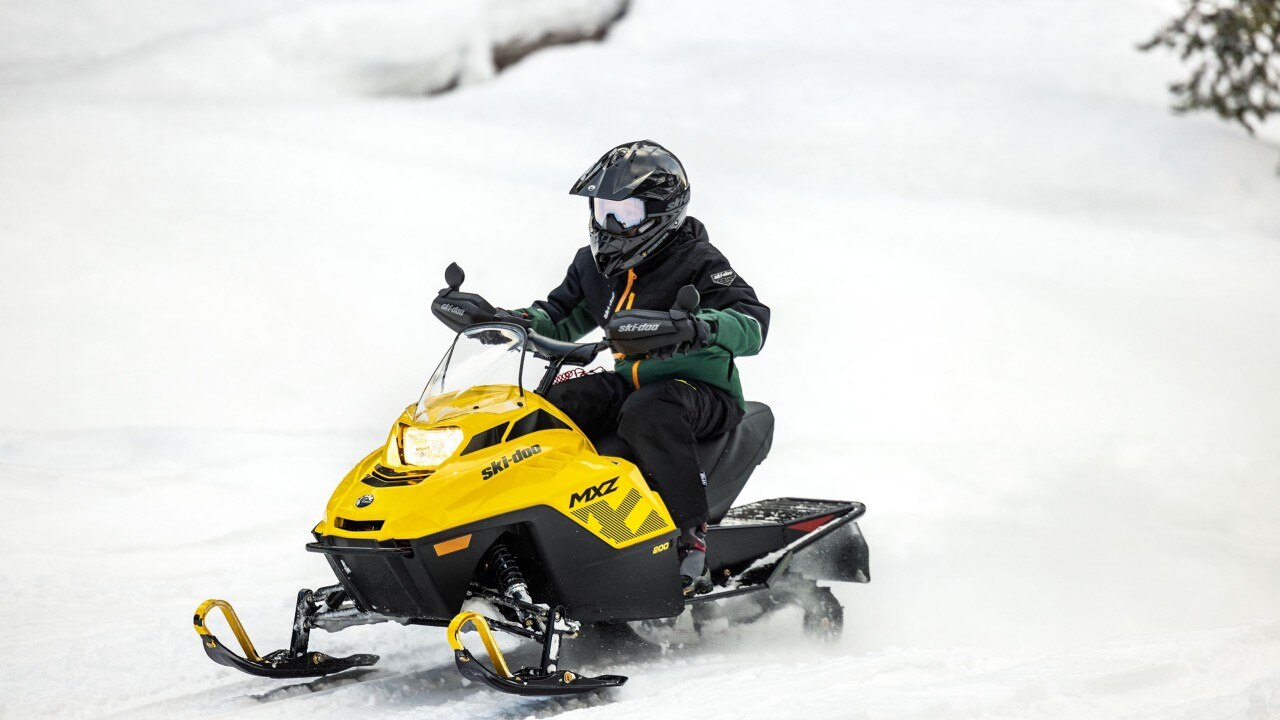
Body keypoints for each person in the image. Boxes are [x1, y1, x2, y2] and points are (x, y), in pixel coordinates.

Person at [511, 140, 770, 596]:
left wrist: (697, 326)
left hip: (701, 392)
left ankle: (690, 537)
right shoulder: (593, 266)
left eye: (625, 213)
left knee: (652, 409)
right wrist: (503, 321)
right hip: (631, 383)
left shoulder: (699, 261)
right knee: (554, 405)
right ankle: (531, 527)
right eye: (604, 210)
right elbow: (558, 316)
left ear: (662, 213)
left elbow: (752, 323)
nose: (610, 225)